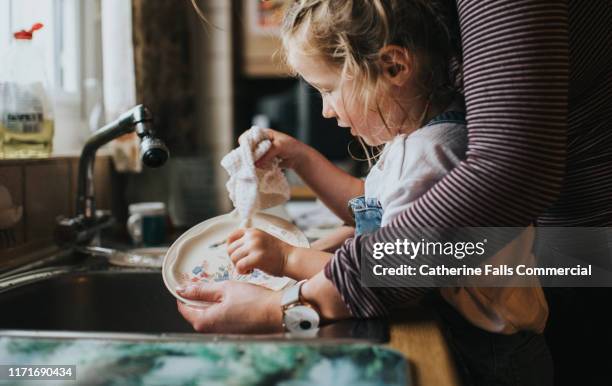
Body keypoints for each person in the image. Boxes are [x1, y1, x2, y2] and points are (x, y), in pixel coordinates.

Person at [179, 1, 611, 385]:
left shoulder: (433, 152)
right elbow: (370, 205)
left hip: (494, 350)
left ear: (393, 67)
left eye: (328, 90)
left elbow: (402, 268)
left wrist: (288, 276)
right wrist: (304, 161)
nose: (326, 110)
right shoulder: (415, 140)